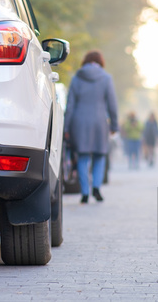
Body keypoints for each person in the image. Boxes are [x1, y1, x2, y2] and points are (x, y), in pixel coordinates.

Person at [63, 50, 118, 204]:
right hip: (100, 122)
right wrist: (114, 125)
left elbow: (70, 105)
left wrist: (66, 127)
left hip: (79, 123)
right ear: (101, 62)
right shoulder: (106, 78)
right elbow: (112, 105)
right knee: (100, 156)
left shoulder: (76, 78)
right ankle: (96, 187)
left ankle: (85, 192)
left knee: (82, 157)